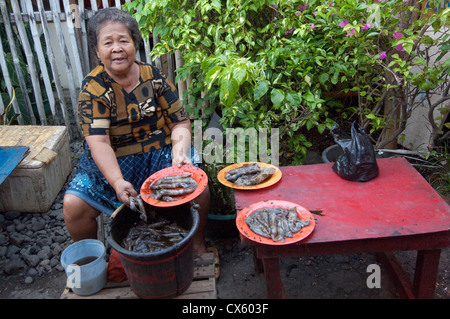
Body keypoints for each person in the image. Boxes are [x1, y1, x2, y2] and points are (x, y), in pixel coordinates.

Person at [63, 7, 209, 255]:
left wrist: (179, 152)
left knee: (198, 184)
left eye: (123, 40)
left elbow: (180, 123)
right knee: (73, 206)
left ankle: (196, 245)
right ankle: (93, 258)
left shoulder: (153, 77)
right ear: (98, 52)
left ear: (134, 44)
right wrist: (118, 182)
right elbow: (99, 142)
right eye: (108, 42)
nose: (117, 48)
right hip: (114, 161)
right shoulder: (94, 89)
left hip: (159, 153)